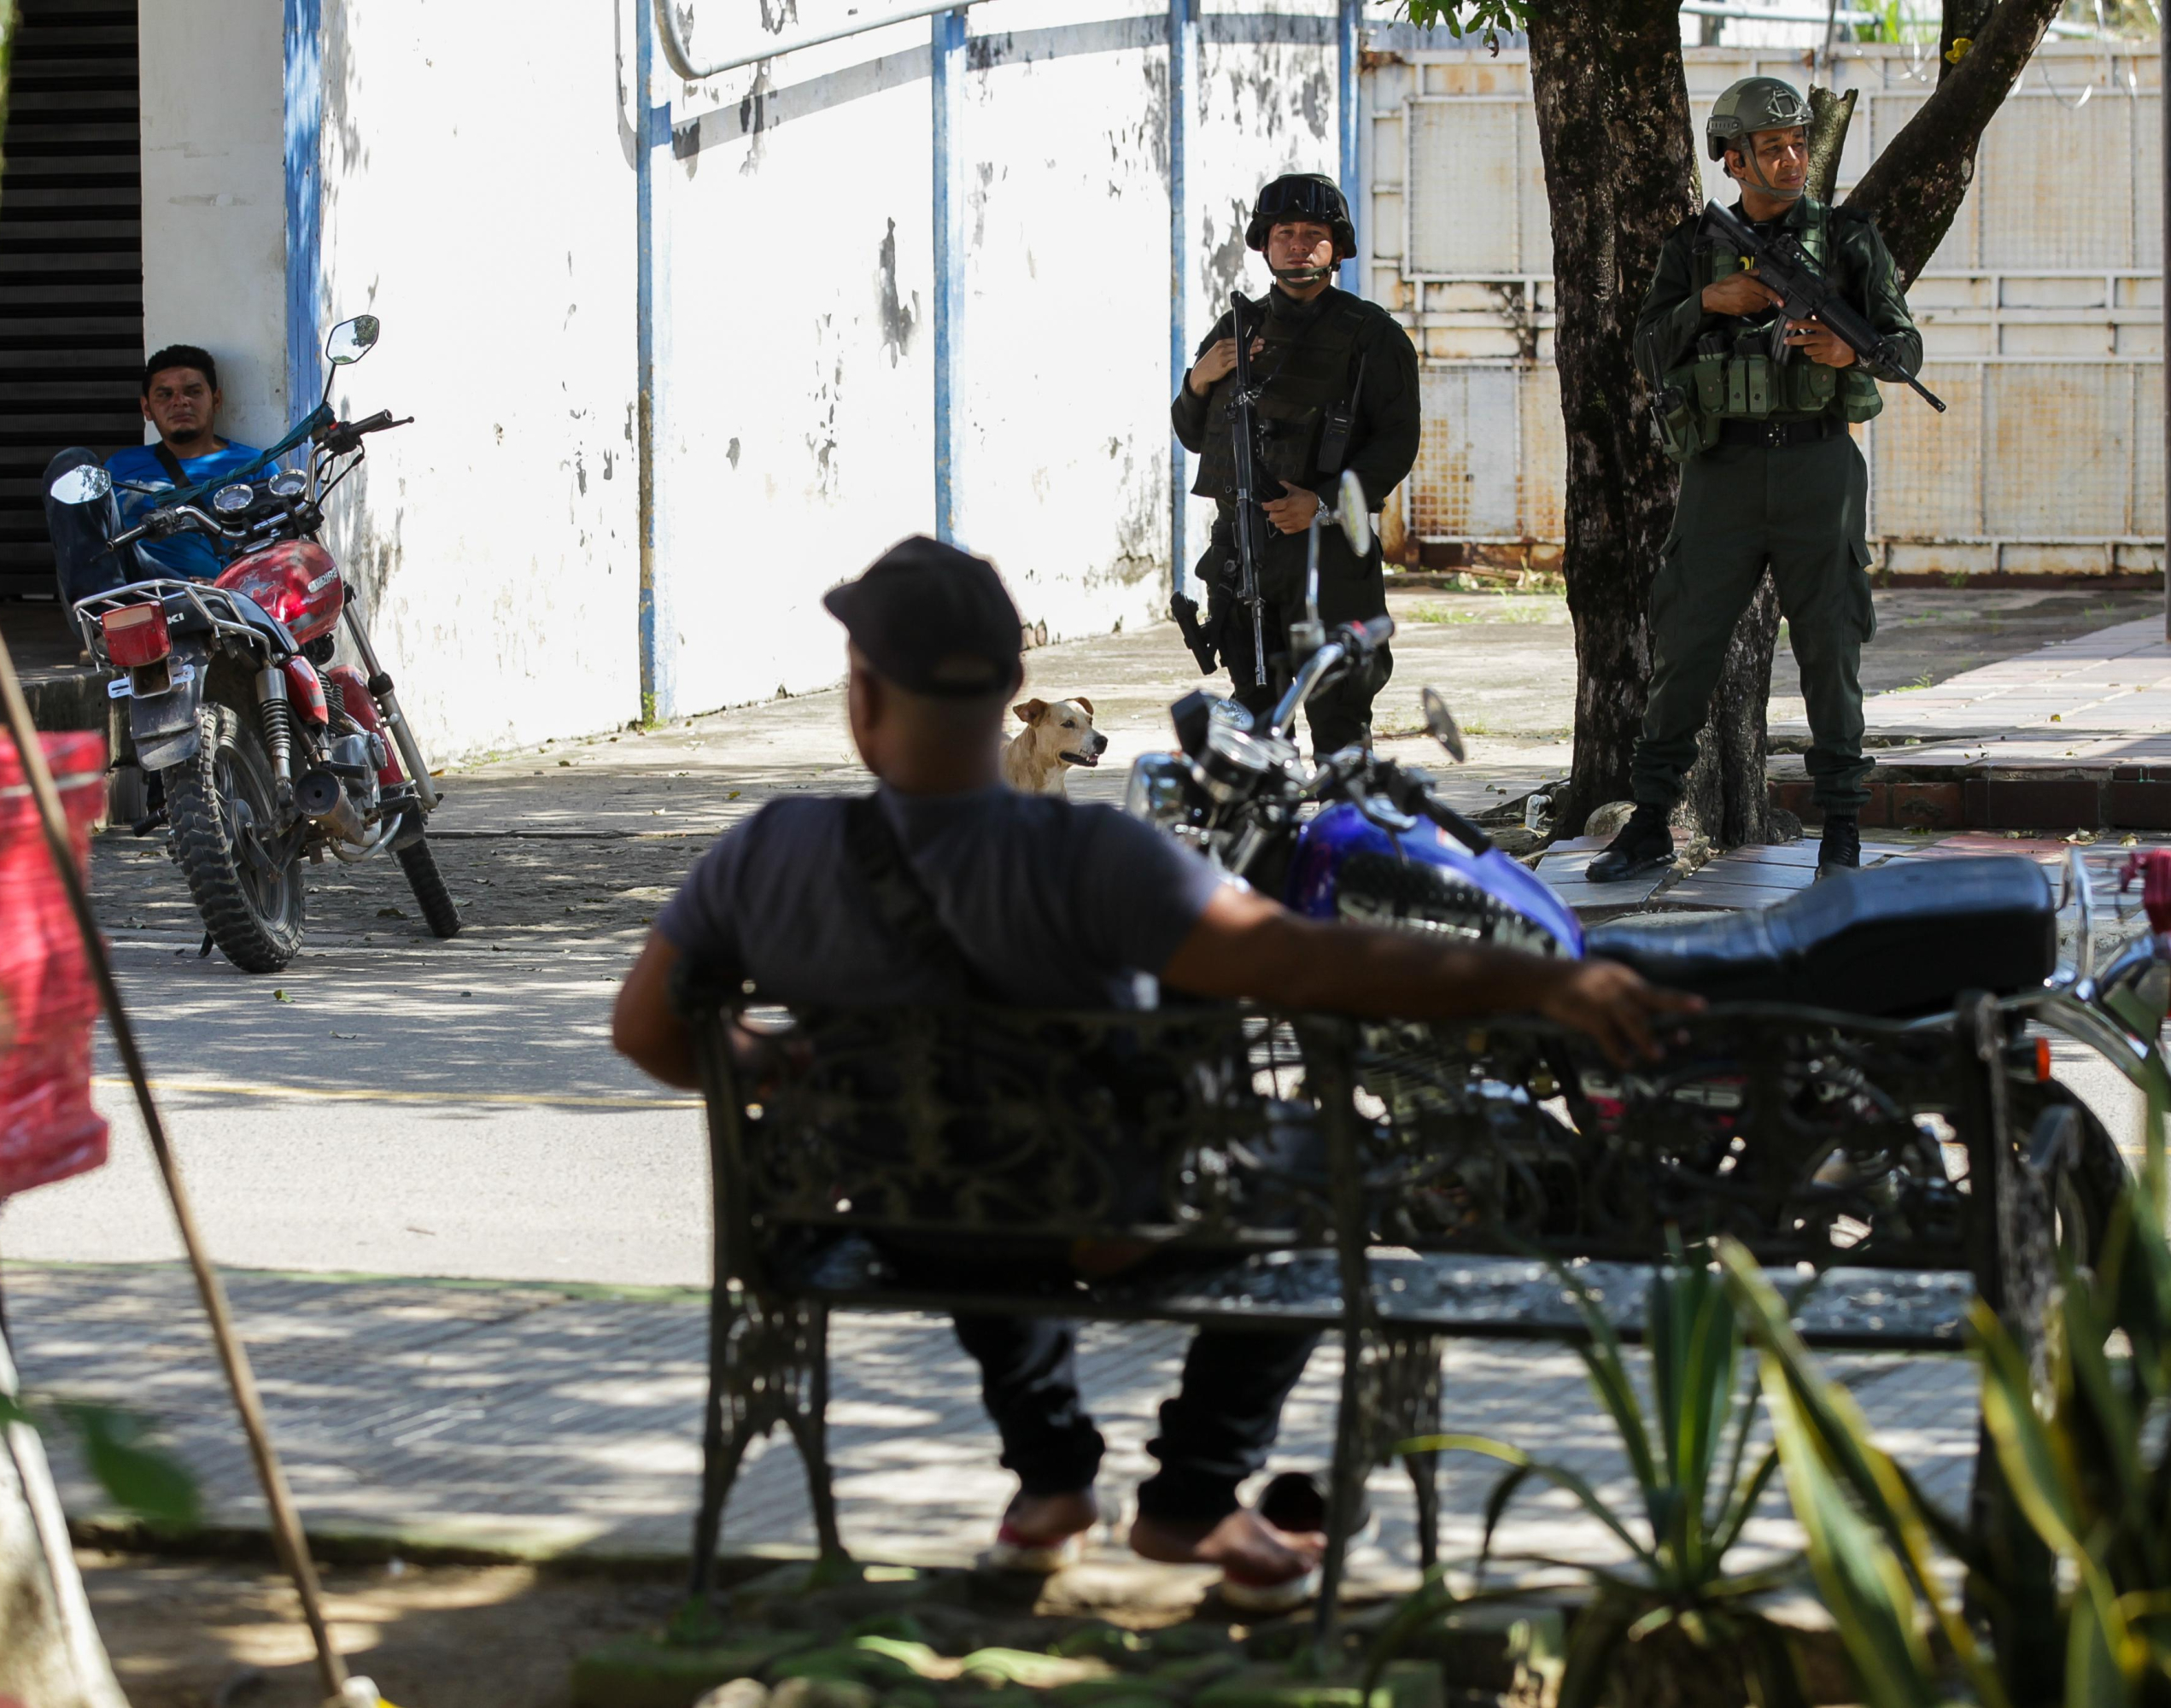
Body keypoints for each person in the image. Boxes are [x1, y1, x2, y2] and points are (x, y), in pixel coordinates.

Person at [611, 536, 1696, 1606]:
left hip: (895, 1208)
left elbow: (652, 1033)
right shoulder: (1096, 856)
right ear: (1011, 691)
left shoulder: (767, 850)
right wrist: (1539, 984)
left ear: (861, 697)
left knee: (969, 1167)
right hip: (1101, 1216)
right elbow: (1301, 958)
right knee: (1325, 1169)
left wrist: (788, 1060)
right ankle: (1192, 1490)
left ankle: (1049, 1483)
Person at [1592, 77, 1925, 885]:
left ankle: (1840, 827)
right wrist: (1710, 300)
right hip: (1722, 471)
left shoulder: (1846, 240)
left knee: (1829, 646)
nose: (1790, 159)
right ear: (1733, 159)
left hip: (1819, 466)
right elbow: (1642, 351)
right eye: (1771, 148)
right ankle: (1648, 821)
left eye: (1798, 145)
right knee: (1685, 645)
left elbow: (1904, 347)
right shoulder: (1692, 248)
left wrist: (1853, 353)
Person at [1170, 173, 1419, 756]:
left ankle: (1344, 843)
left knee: (1338, 711)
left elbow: (1395, 443)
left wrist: (1323, 500)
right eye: (1285, 232)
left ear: (1336, 248)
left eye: (1314, 234)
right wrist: (1198, 380)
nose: (1298, 245)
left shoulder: (1371, 335)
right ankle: (1257, 845)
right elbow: (1191, 435)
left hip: (1326, 552)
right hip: (1243, 551)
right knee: (1252, 718)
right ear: (1264, 242)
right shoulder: (1236, 330)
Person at [44, 344, 267, 610]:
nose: (180, 401)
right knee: (72, 463)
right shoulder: (121, 465)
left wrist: (231, 589)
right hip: (131, 589)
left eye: (193, 392)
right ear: (147, 408)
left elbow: (275, 553)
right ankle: (101, 612)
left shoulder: (254, 465)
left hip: (204, 595)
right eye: (165, 395)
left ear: (216, 400)